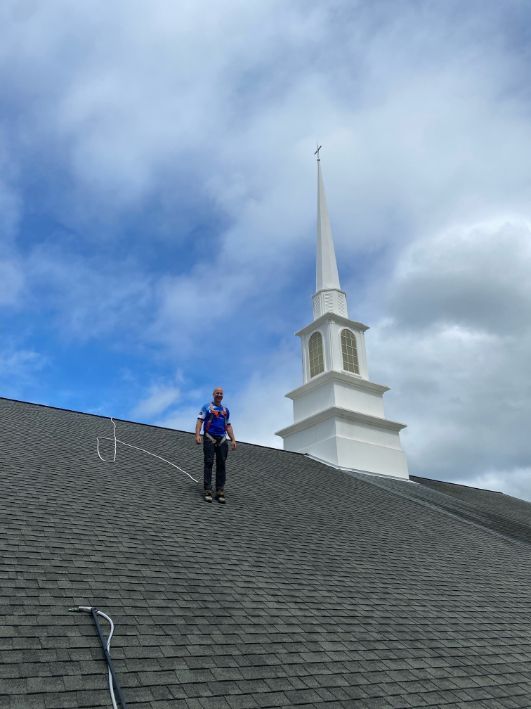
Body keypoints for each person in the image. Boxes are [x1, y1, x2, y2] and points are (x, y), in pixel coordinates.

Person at [195, 387, 236, 503]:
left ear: (223, 396)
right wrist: (197, 435)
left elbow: (228, 425)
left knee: (221, 464)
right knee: (208, 463)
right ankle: (208, 489)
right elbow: (199, 421)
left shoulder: (225, 410)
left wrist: (233, 439)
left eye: (221, 393)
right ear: (213, 394)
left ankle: (220, 490)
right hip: (209, 438)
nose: (219, 395)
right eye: (217, 393)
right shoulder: (206, 407)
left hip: (222, 439)